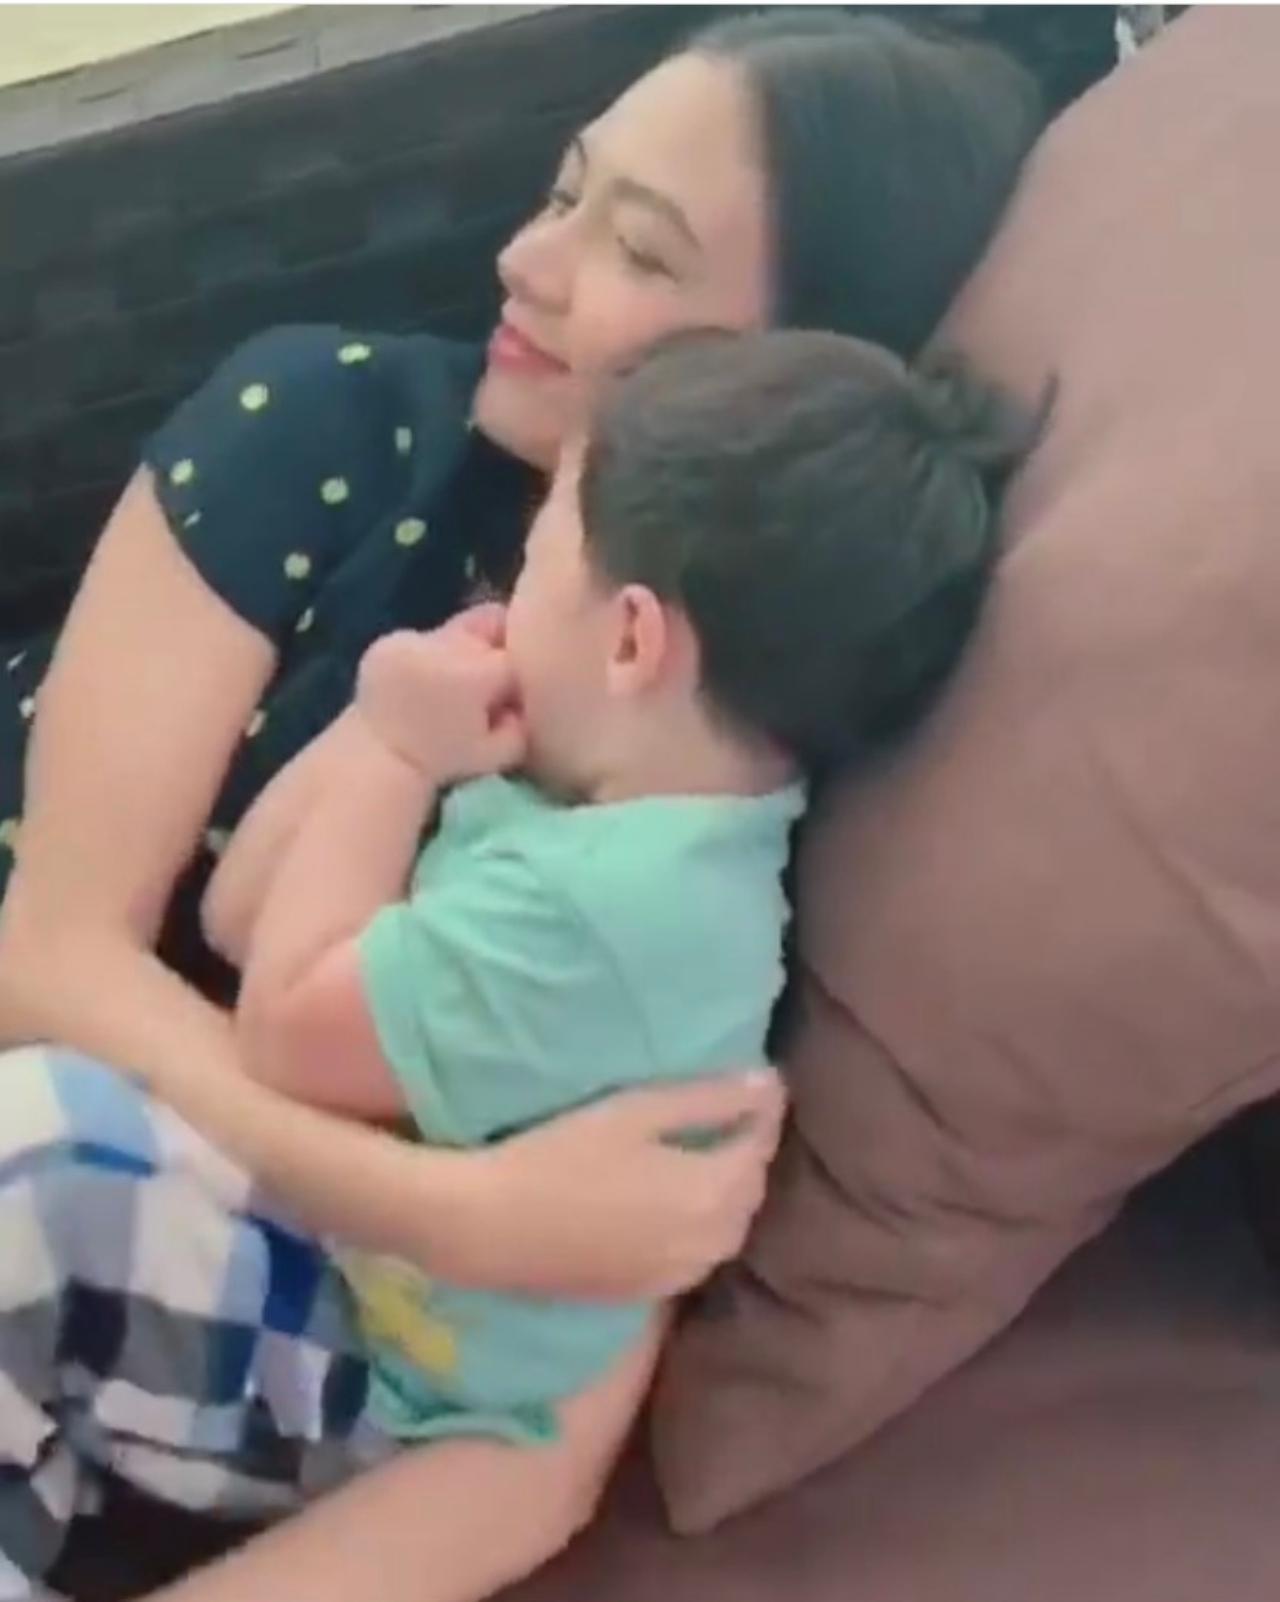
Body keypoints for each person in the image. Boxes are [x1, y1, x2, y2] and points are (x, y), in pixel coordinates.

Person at [0, 12, 1043, 1602]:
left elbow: (533, 1450)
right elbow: (47, 961)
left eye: (639, 246)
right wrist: (455, 1210)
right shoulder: (323, 428)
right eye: (564, 192)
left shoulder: (693, 787)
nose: (525, 262)